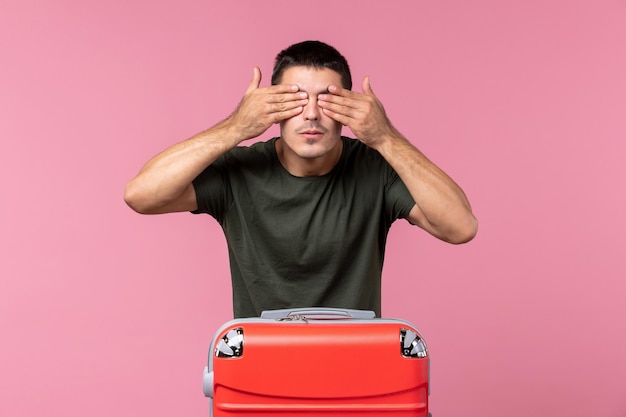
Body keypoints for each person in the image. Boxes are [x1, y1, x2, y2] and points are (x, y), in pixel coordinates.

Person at [125, 40, 477, 318]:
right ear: (271, 104)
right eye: (294, 100)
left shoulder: (377, 169)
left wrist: (386, 138)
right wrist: (237, 126)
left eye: (327, 100)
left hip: (357, 366)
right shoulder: (240, 170)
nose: (311, 114)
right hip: (262, 368)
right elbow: (141, 195)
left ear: (350, 107)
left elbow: (460, 227)